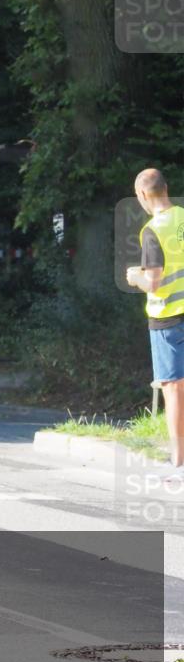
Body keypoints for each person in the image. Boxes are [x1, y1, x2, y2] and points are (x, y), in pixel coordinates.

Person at [126, 168, 184, 482]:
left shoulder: (152, 230)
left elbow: (154, 282)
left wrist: (135, 276)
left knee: (174, 389)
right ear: (166, 188)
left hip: (168, 318)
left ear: (145, 195)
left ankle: (178, 463)